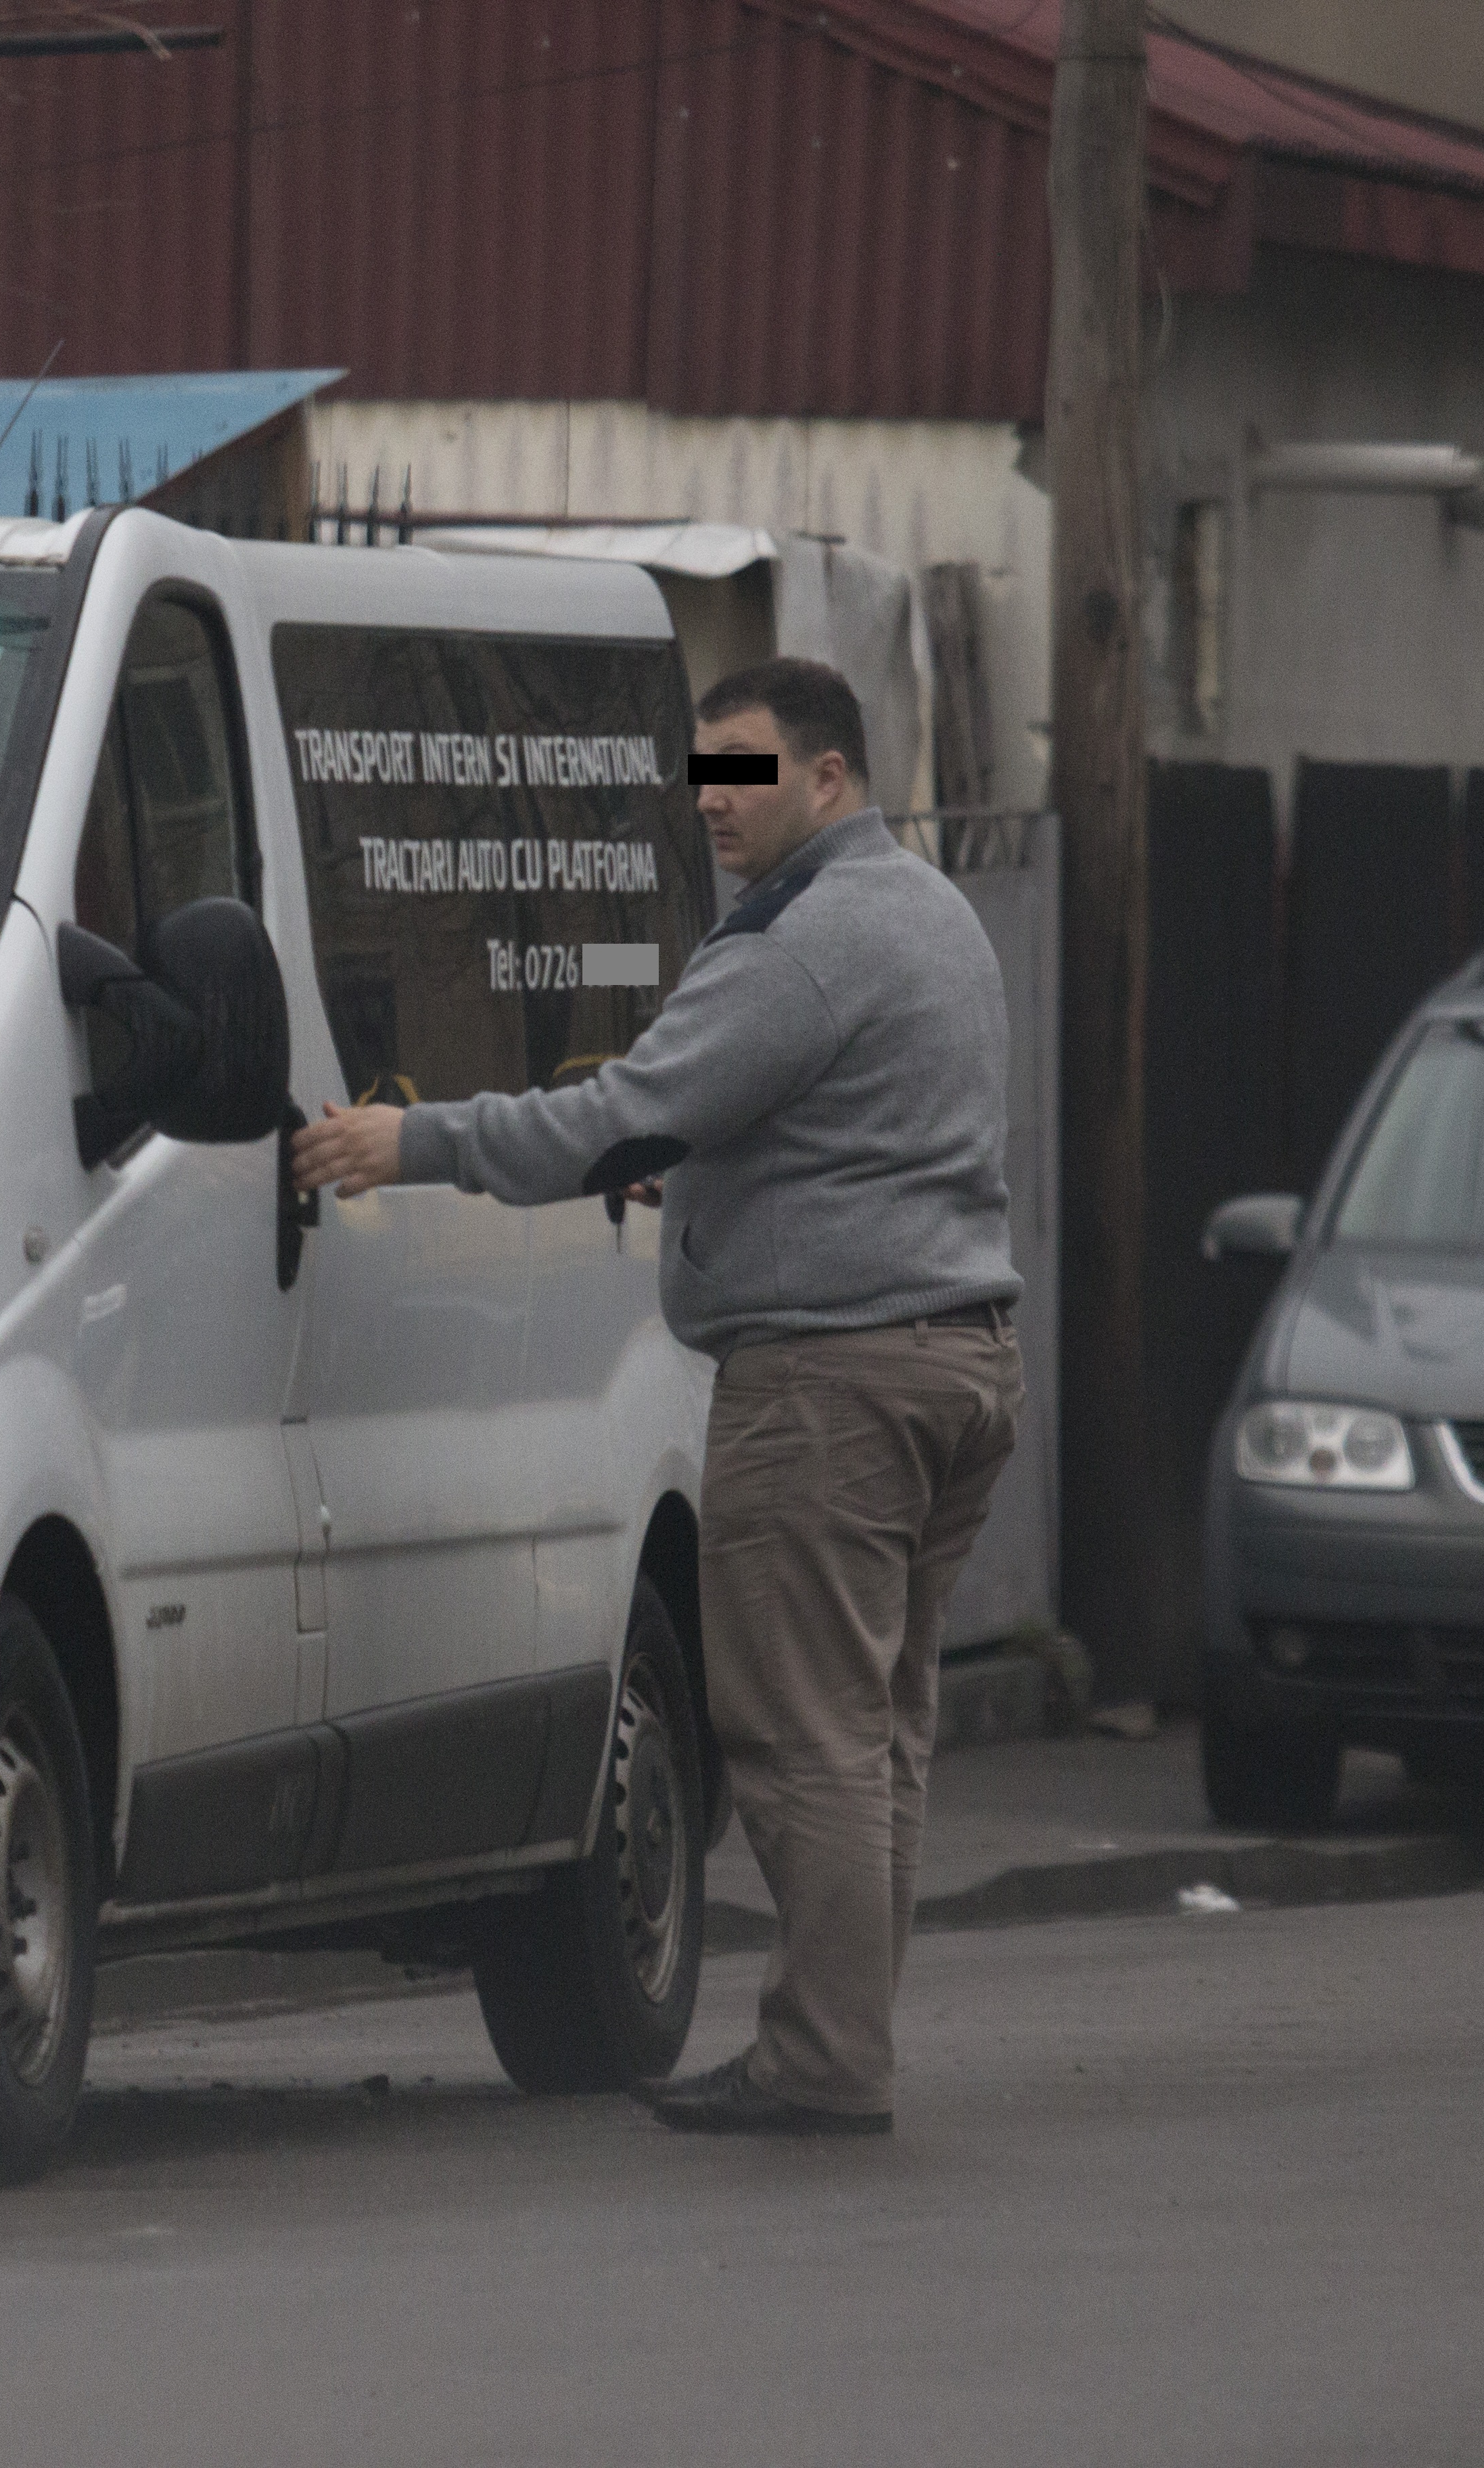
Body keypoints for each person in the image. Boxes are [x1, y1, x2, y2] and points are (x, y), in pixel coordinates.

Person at [287, 656, 1022, 2136]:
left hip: (830, 1385)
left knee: (807, 1738)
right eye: (703, 776)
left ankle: (826, 2062)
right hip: (959, 1362)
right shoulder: (936, 913)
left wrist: (413, 1144)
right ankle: (846, 2041)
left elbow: (625, 1112)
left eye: (744, 771)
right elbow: (814, 1131)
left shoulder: (801, 943)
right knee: (878, 1732)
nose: (715, 804)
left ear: (828, 776)